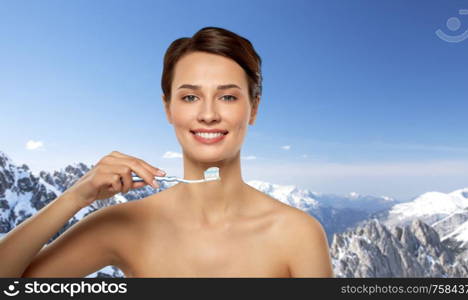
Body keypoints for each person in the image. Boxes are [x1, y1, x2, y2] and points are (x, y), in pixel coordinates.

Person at [0, 26, 334, 278]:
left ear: (254, 108)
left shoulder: (297, 234)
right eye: (190, 97)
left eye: (228, 97)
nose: (208, 114)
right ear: (168, 108)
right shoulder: (122, 225)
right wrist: (74, 197)